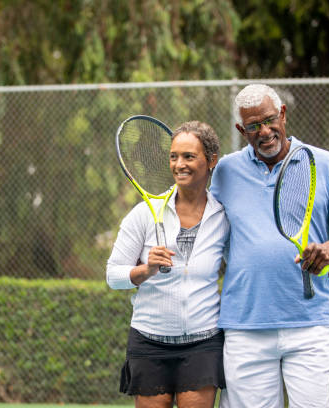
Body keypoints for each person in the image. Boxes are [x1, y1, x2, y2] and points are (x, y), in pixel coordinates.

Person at [210, 84, 329, 407]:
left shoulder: (325, 163)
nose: (264, 131)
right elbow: (208, 228)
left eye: (268, 120)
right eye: (253, 126)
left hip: (310, 323)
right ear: (241, 129)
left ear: (282, 114)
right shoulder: (225, 171)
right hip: (245, 326)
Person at [107, 121, 229, 408]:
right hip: (149, 342)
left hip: (203, 342)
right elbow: (113, 275)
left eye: (189, 156)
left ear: (211, 161)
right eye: (174, 156)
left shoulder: (223, 217)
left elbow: (245, 263)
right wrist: (145, 270)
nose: (179, 164)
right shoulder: (143, 214)